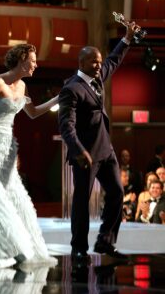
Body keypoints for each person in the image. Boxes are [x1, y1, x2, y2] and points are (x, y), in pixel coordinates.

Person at [0, 43, 58, 270]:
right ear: (22, 58)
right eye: (33, 60)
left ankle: (8, 248)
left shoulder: (23, 86)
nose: (36, 64)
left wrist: (58, 99)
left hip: (7, 148)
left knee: (8, 196)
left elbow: (33, 113)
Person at [58, 21, 137, 263]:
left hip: (106, 151)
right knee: (81, 202)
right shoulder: (71, 89)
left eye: (99, 60)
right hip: (85, 155)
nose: (99, 64)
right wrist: (79, 150)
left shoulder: (98, 77)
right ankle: (78, 249)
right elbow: (66, 126)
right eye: (94, 61)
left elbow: (113, 60)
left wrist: (126, 38)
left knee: (117, 193)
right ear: (81, 63)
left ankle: (105, 242)